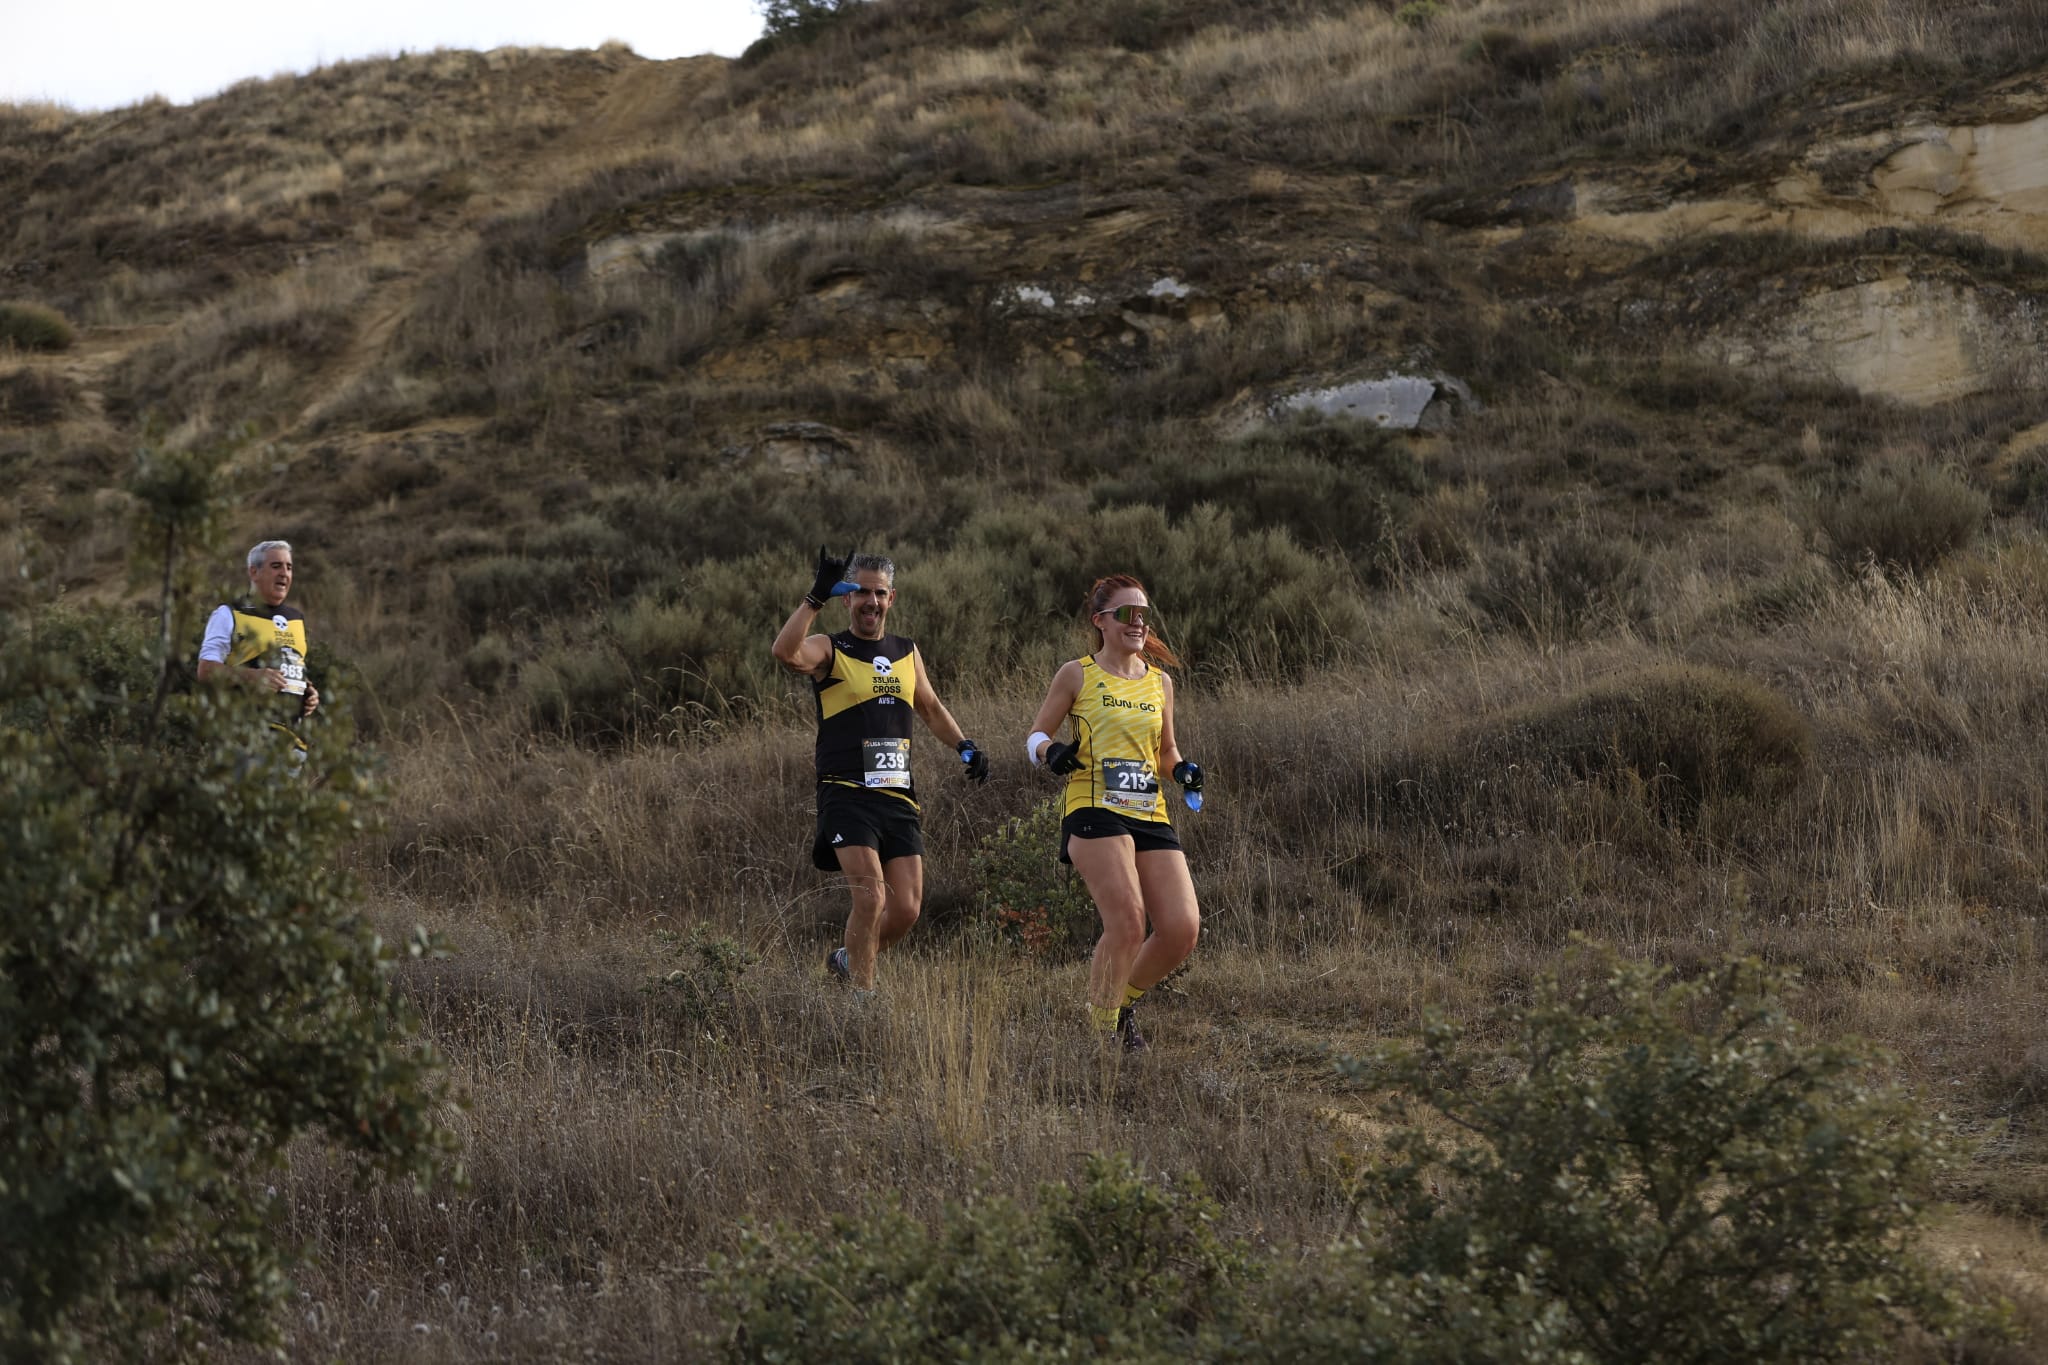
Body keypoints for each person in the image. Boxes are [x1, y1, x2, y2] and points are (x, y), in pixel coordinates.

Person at [771, 547, 988, 992]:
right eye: (862, 593)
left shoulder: (907, 652)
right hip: (846, 793)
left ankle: (846, 960)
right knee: (871, 898)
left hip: (897, 795)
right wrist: (814, 598)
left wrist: (965, 746)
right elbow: (785, 652)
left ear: (892, 598)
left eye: (880, 593)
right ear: (847, 599)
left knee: (906, 909)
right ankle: (861, 1001)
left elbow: (929, 707)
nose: (871, 601)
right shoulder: (831, 649)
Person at [1025, 574, 1203, 1051]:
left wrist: (1182, 770)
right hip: (1094, 806)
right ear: (1100, 621)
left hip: (1148, 809)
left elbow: (1166, 751)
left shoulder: (1160, 682)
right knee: (1127, 920)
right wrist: (1051, 753)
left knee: (1182, 928)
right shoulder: (1077, 673)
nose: (1138, 622)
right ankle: (1102, 1038)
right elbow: (1035, 736)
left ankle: (1117, 1005)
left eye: (1143, 613)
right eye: (1127, 613)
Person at [197, 539, 319, 764]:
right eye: (276, 566)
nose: (284, 573)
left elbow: (290, 666)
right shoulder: (229, 613)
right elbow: (205, 671)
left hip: (291, 742)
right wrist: (252, 677)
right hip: (244, 738)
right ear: (254, 572)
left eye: (289, 567)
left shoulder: (296, 619)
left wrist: (308, 691)